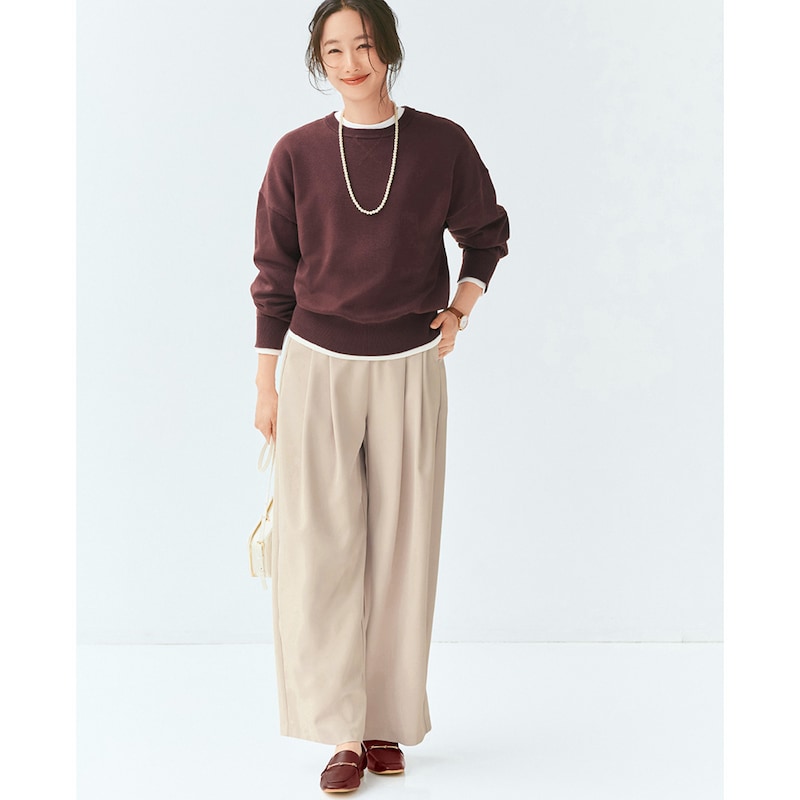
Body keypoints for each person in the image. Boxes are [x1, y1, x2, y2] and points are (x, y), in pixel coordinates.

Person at [250, 0, 510, 792]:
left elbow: (487, 234)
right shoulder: (297, 153)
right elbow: (273, 273)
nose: (350, 63)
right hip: (316, 367)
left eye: (363, 45)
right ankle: (340, 731)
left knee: (403, 548)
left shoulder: (441, 143)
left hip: (409, 366)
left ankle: (384, 722)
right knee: (320, 551)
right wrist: (266, 382)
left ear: (388, 49)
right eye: (333, 50)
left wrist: (460, 308)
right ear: (319, 62)